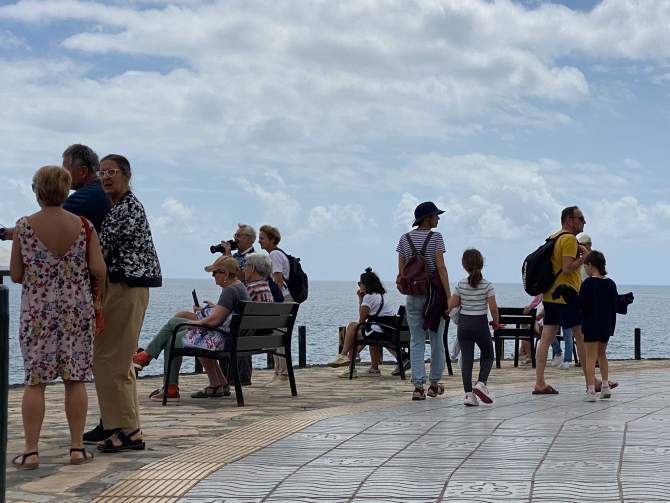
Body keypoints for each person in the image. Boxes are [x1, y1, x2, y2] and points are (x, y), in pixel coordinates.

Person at [10, 166, 106, 469]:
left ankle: (31, 452)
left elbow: (16, 274)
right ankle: (76, 448)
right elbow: (99, 269)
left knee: (35, 381)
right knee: (75, 379)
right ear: (65, 191)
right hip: (76, 310)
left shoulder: (24, 226)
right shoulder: (85, 226)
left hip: (38, 311)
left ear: (38, 191)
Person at [83, 155, 162, 452]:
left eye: (111, 172)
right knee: (108, 357)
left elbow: (100, 251)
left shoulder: (127, 209)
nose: (105, 177)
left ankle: (129, 430)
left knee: (112, 360)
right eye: (101, 173)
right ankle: (115, 422)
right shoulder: (118, 207)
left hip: (126, 287)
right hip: (121, 287)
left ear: (127, 175)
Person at [133, 255, 252, 401]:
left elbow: (215, 320)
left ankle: (164, 379)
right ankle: (218, 383)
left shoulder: (230, 291)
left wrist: (195, 324)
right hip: (231, 337)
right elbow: (226, 316)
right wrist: (210, 310)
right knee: (176, 323)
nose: (213, 277)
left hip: (221, 340)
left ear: (226, 274)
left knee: (172, 336)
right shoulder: (239, 287)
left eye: (215, 273)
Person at [396, 201, 451, 401]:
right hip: (434, 296)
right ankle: (434, 384)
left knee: (416, 340)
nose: (438, 218)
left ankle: (418, 387)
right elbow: (441, 268)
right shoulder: (436, 237)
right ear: (427, 218)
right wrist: (449, 296)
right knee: (437, 340)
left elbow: (402, 272)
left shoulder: (405, 239)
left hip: (413, 296)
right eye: (436, 215)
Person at [0, 144, 111, 242]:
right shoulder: (102, 191)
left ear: (83, 171)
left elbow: (40, 226)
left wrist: (3, 233)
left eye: (65, 170)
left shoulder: (84, 198)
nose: (62, 176)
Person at [533, 206, 589, 395]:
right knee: (581, 337)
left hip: (551, 295)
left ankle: (540, 382)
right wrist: (585, 257)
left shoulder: (554, 237)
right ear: (569, 220)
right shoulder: (569, 239)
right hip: (567, 295)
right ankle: (591, 381)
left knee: (546, 338)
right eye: (580, 218)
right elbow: (567, 268)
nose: (584, 221)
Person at [448, 249, 498, 406]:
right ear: (481, 264)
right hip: (480, 324)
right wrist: (496, 322)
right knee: (488, 355)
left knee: (467, 359)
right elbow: (493, 308)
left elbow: (452, 305)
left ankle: (468, 395)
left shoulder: (460, 284)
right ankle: (481, 383)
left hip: (464, 325)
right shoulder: (487, 285)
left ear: (464, 265)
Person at [327, 268, 397, 377]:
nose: (359, 285)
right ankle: (373, 368)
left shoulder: (368, 297)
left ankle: (345, 359)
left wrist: (361, 299)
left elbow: (362, 320)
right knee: (355, 330)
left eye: (360, 283)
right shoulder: (380, 296)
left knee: (352, 330)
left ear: (366, 284)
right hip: (387, 330)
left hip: (380, 331)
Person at [216, 224, 258, 385]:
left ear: (250, 239)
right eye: (235, 235)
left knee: (233, 335)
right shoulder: (235, 256)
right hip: (234, 306)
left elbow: (241, 278)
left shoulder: (253, 258)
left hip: (243, 309)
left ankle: (240, 376)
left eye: (239, 235)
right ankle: (227, 376)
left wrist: (228, 256)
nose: (236, 238)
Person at [576, 251, 620, 401]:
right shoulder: (611, 284)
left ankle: (591, 390)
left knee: (590, 357)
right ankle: (605, 386)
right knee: (602, 354)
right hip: (606, 325)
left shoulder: (588, 283)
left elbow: (580, 303)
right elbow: (615, 305)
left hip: (591, 325)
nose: (585, 270)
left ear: (590, 265)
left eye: (585, 266)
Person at [259, 224, 291, 384]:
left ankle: (283, 374)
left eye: (262, 238)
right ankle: (278, 372)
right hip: (284, 299)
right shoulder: (277, 254)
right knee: (278, 336)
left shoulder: (274, 255)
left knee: (279, 337)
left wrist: (274, 302)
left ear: (272, 240)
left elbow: (278, 281)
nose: (259, 241)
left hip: (282, 300)